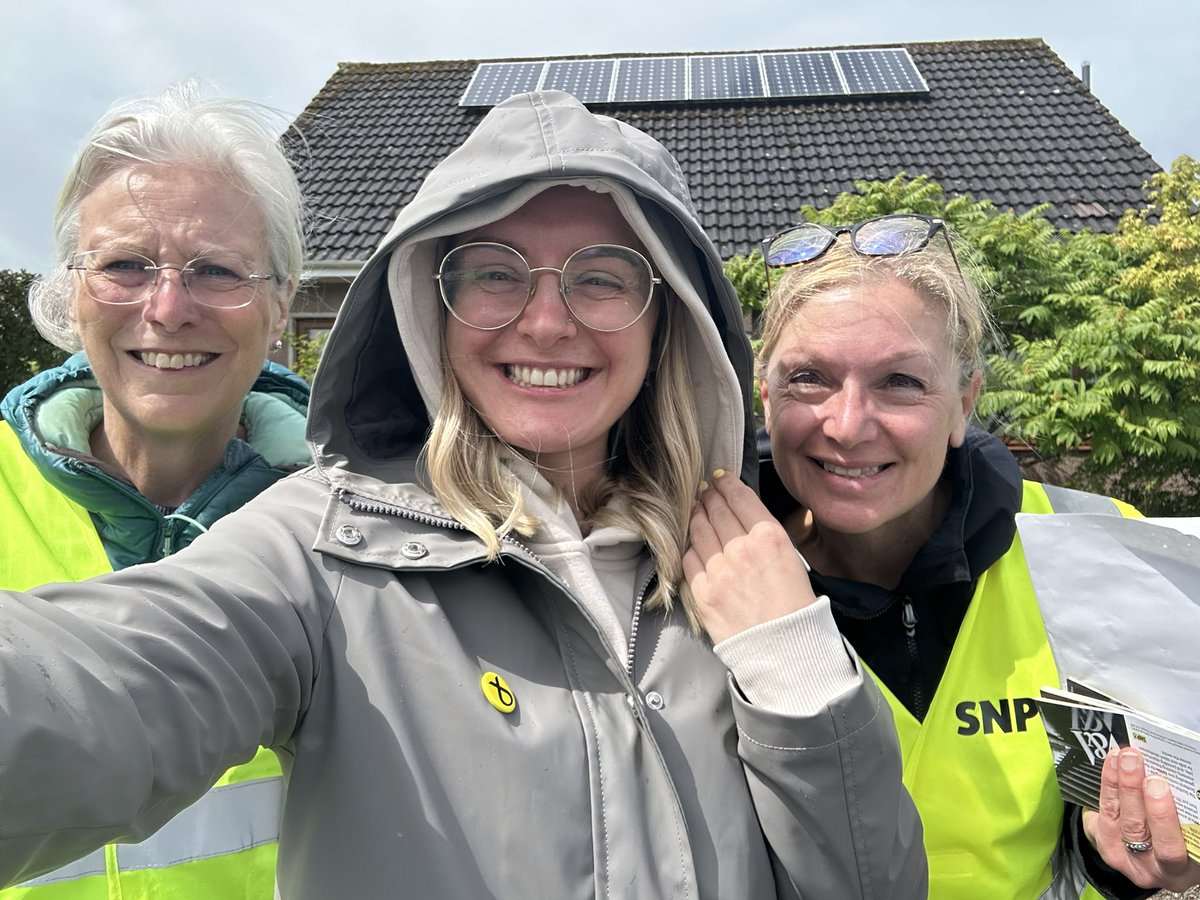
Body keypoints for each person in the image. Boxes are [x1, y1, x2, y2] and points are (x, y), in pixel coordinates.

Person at [0, 90, 927, 898]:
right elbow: (98, 688)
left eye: (603, 278)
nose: (548, 320)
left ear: (668, 314)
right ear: (426, 311)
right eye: (492, 274)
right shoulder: (316, 550)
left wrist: (795, 671)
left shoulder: (744, 562)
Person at [701, 212, 1200, 899]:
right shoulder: (695, 572)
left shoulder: (1100, 552)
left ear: (965, 402)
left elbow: (1108, 820)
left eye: (900, 382)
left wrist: (1127, 855)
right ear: (763, 394)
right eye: (809, 377)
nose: (847, 425)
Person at [0, 83, 309, 898]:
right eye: (126, 265)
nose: (168, 309)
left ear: (280, 303)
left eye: (215, 271)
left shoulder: (358, 529)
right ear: (71, 293)